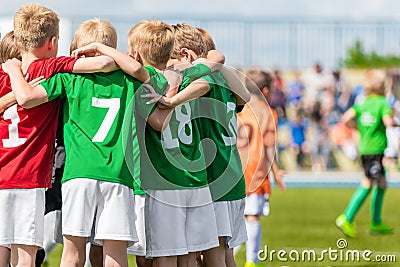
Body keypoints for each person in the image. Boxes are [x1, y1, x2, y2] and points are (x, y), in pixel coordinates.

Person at [68, 20, 225, 267]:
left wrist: (169, 102)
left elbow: (158, 122)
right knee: (192, 256)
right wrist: (178, 97)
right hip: (196, 179)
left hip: (161, 182)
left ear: (136, 54)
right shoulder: (185, 74)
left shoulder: (142, 85)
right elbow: (215, 62)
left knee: (159, 256)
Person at [3, 17, 156, 267]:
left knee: (72, 253)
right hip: (118, 175)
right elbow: (147, 74)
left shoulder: (67, 78)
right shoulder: (131, 81)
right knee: (115, 254)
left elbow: (27, 98)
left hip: (78, 174)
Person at [335, 69, 394, 238]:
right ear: (382, 87)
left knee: (381, 183)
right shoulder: (382, 103)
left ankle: (376, 222)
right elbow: (388, 122)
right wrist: (393, 118)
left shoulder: (363, 102)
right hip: (375, 150)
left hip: (366, 149)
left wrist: (358, 127)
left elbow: (346, 118)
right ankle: (347, 217)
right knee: (369, 182)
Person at [237, 69, 286, 267]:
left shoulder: (238, 108)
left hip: (235, 169)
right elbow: (268, 145)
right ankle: (252, 260)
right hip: (255, 169)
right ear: (265, 91)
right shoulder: (268, 112)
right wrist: (276, 172)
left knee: (231, 218)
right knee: (252, 216)